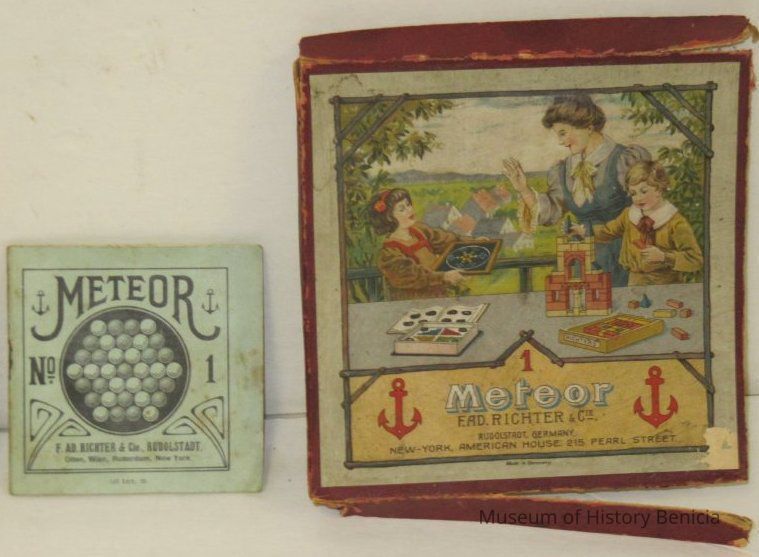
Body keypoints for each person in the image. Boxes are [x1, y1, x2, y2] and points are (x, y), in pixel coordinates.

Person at [503, 94, 651, 287]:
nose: (561, 142)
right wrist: (523, 189)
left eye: (563, 133)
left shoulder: (625, 159)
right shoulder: (563, 170)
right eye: (558, 135)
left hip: (623, 259)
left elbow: (648, 213)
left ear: (588, 126)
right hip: (580, 261)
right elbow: (551, 213)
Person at [571, 161, 703, 285]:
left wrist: (664, 257)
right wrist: (584, 230)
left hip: (667, 283)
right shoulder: (629, 215)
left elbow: (695, 260)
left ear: (659, 189)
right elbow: (607, 231)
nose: (638, 198)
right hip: (635, 281)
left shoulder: (675, 222)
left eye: (643, 191)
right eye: (633, 193)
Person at [368, 188, 465, 301]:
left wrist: (475, 241)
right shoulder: (389, 252)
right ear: (389, 217)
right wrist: (443, 277)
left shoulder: (419, 231)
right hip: (414, 300)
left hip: (440, 295)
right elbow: (412, 276)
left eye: (408, 205)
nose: (409, 210)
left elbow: (448, 240)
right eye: (402, 209)